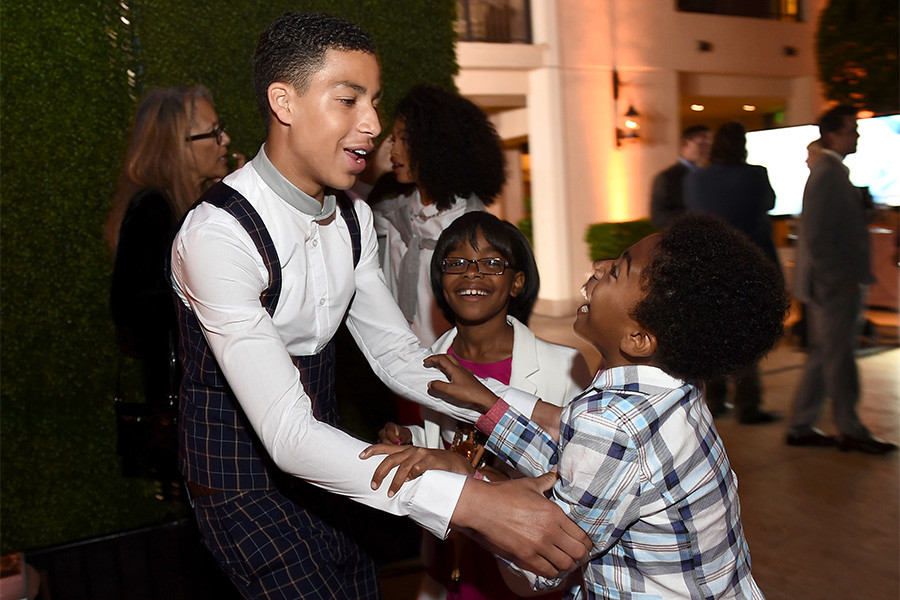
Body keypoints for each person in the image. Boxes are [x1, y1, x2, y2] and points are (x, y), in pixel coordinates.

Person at [169, 12, 590, 599]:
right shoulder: (217, 234)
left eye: (373, 101)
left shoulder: (354, 217)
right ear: (284, 102)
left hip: (328, 458)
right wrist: (476, 504)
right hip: (241, 480)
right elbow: (287, 435)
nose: (372, 125)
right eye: (348, 100)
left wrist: (525, 410)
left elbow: (396, 355)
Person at [366, 213, 787, 599]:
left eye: (617, 270)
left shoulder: (611, 423)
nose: (599, 266)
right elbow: (579, 464)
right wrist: (490, 406)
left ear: (638, 339)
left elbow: (546, 558)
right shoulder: (679, 388)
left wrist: (466, 478)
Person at [377, 211, 591, 599]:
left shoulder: (565, 367)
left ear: (517, 282)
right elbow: (444, 442)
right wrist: (410, 441)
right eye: (456, 262)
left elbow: (580, 479)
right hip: (448, 568)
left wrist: (476, 476)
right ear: (440, 280)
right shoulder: (425, 364)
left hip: (525, 576)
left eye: (491, 263)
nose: (472, 273)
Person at [107, 86, 241, 478]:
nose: (225, 139)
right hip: (188, 406)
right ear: (177, 145)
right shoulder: (153, 206)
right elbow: (129, 305)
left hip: (204, 401)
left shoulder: (193, 203)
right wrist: (207, 292)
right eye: (213, 132)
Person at [787, 105, 897, 454]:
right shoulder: (828, 173)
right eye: (852, 129)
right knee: (840, 358)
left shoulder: (832, 171)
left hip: (831, 283)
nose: (857, 136)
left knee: (826, 354)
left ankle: (801, 425)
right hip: (834, 285)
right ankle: (850, 430)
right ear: (833, 134)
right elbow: (817, 237)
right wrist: (840, 280)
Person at [374, 84, 506, 346]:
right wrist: (371, 175)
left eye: (405, 140)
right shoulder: (391, 218)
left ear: (437, 145)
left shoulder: (475, 231)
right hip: (393, 361)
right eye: (393, 140)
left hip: (453, 362)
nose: (394, 152)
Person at [684, 120, 782, 425]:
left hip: (708, 267)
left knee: (712, 335)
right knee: (747, 337)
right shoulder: (755, 175)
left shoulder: (696, 179)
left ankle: (714, 400)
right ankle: (747, 405)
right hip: (749, 265)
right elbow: (770, 203)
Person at [649, 124, 711, 228]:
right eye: (702, 143)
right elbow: (658, 218)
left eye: (709, 144)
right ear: (686, 143)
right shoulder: (667, 178)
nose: (707, 148)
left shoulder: (709, 175)